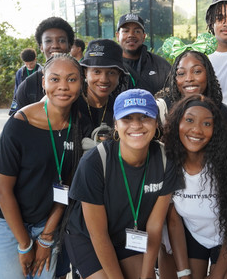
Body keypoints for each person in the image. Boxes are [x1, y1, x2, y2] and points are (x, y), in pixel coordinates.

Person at [0, 53, 83, 279]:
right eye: (55, 79)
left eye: (72, 79)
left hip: (45, 220)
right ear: (43, 81)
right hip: (4, 220)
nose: (63, 86)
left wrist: (46, 236)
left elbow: (68, 187)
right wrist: (25, 244)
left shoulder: (79, 124)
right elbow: (2, 190)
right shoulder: (19, 124)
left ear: (81, 83)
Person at [64, 89, 180, 279]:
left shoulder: (166, 159)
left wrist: (146, 276)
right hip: (88, 239)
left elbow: (154, 226)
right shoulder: (95, 162)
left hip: (129, 236)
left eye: (144, 117)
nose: (136, 125)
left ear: (156, 122)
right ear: (116, 125)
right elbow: (98, 235)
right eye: (127, 119)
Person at [159, 94, 227, 279]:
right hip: (195, 235)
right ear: (177, 123)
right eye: (189, 120)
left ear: (216, 129)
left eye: (206, 124)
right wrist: (183, 273)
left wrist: (216, 275)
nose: (196, 129)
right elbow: (173, 223)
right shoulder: (169, 164)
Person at [157, 33, 227, 128]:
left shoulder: (223, 113)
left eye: (197, 71)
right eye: (181, 73)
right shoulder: (163, 110)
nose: (189, 79)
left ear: (208, 74)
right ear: (174, 78)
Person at [11, 17, 75, 113]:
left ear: (69, 46)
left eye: (61, 40)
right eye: (48, 41)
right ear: (41, 46)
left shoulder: (83, 83)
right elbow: (17, 122)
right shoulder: (27, 86)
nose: (55, 45)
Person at [78, 39, 128, 148]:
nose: (104, 79)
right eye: (97, 71)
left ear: (119, 75)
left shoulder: (121, 108)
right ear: (85, 72)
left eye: (111, 72)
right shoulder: (71, 105)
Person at [116, 13, 171, 95]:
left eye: (137, 31)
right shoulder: (109, 66)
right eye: (126, 31)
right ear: (117, 36)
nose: (131, 35)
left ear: (144, 37)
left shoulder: (161, 66)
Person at [9, 48, 42, 115]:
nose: (29, 66)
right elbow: (17, 91)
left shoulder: (41, 71)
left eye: (31, 63)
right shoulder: (20, 72)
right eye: (26, 64)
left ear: (35, 59)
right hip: (23, 103)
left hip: (38, 104)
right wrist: (13, 109)